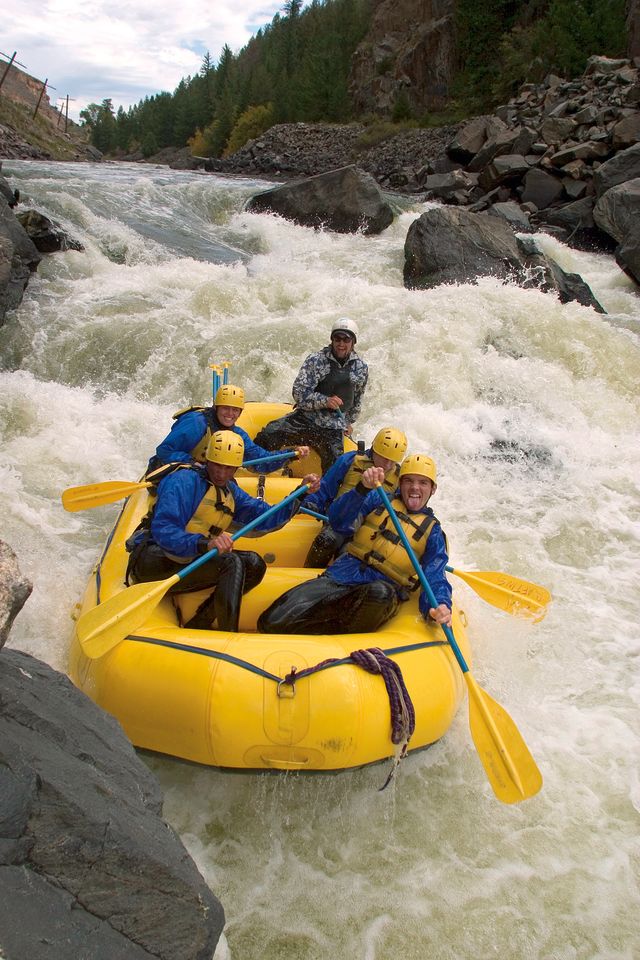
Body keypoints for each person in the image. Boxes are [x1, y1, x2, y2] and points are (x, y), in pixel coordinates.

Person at [127, 430, 320, 632]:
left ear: (237, 468)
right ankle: (229, 633)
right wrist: (203, 543)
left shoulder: (229, 490)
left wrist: (299, 494)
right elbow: (164, 530)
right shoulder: (183, 482)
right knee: (231, 561)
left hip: (188, 559)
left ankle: (202, 620)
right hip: (154, 560)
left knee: (254, 563)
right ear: (207, 460)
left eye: (228, 468)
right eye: (217, 465)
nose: (221, 473)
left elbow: (263, 517)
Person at [258, 453, 451, 635]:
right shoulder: (378, 498)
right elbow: (339, 521)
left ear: (433, 489)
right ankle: (319, 632)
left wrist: (440, 604)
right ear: (400, 483)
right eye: (409, 480)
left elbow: (435, 575)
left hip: (378, 595)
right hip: (342, 576)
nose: (415, 488)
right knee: (269, 622)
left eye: (423, 483)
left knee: (380, 592)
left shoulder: (433, 532)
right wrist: (361, 489)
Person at [254, 318, 369, 473]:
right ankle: (252, 469)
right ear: (332, 340)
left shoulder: (360, 368)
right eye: (337, 338)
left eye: (346, 339)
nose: (341, 344)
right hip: (306, 419)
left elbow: (357, 400)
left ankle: (326, 496)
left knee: (337, 467)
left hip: (332, 428)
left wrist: (347, 422)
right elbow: (299, 393)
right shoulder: (316, 360)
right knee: (269, 433)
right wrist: (325, 401)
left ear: (353, 342)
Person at [146, 383, 309, 475]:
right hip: (176, 472)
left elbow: (261, 462)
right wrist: (192, 463)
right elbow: (164, 451)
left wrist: (291, 454)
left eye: (235, 410)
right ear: (216, 407)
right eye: (225, 408)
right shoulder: (196, 423)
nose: (230, 414)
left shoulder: (237, 435)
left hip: (205, 476)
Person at [302, 426, 408, 567]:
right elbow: (326, 488)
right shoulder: (350, 460)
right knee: (327, 539)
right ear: (374, 449)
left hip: (368, 533)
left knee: (348, 555)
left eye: (392, 461)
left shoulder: (400, 480)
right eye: (384, 458)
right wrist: (311, 503)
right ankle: (307, 573)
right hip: (339, 521)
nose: (387, 465)